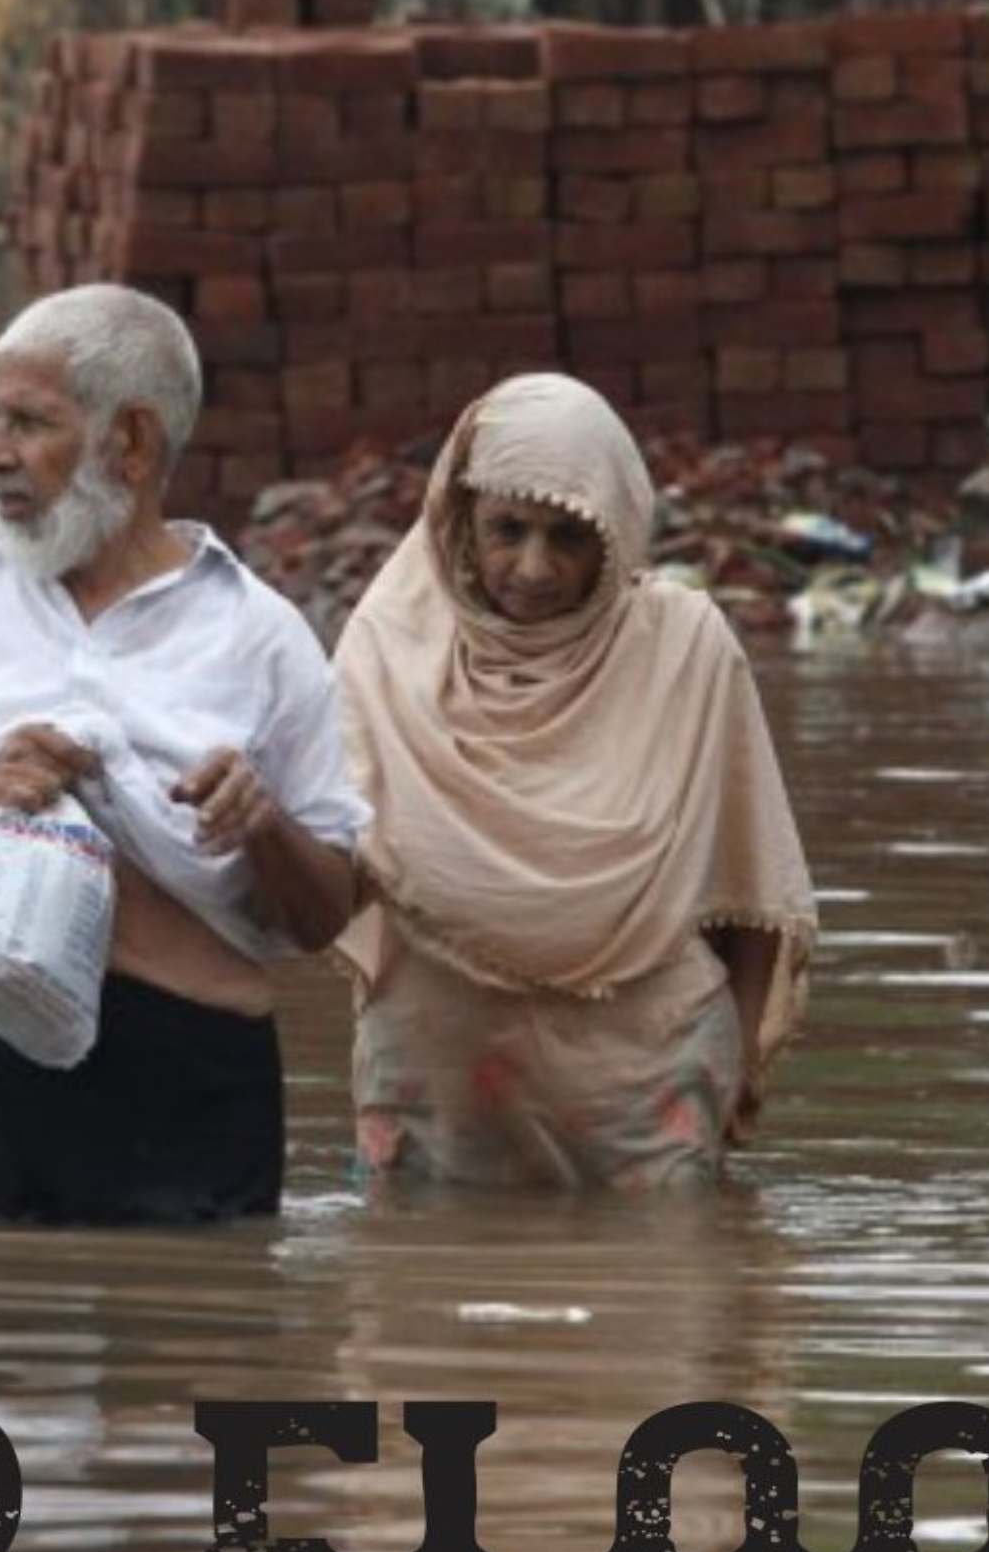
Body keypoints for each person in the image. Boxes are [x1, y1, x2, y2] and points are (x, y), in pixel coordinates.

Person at [0, 284, 368, 1225]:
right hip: (0, 1074)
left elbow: (325, 918)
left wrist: (261, 822)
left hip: (198, 1073)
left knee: (206, 1359)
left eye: (28, 423)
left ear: (132, 443)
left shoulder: (259, 635)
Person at [332, 372, 817, 1192]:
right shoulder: (387, 649)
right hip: (437, 1086)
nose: (531, 567)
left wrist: (736, 1066)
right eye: (506, 529)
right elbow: (325, 873)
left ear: (619, 535)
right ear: (459, 521)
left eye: (568, 536)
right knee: (414, 1304)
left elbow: (748, 883)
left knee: (659, 1310)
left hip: (645, 1082)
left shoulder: (683, 648)